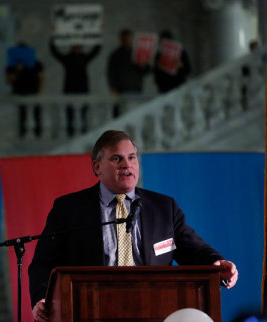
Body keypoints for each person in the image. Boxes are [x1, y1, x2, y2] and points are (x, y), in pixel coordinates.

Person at [28, 130, 238, 321]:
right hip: (92, 310)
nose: (126, 165)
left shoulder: (163, 207)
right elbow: (43, 263)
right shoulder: (69, 208)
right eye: (116, 158)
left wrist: (215, 262)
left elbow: (192, 248)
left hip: (155, 309)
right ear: (97, 167)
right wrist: (41, 299)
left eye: (131, 158)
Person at [107, 29, 150, 94]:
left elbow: (147, 70)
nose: (126, 40)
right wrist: (113, 86)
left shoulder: (138, 53)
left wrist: (143, 66)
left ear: (131, 38)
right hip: (121, 90)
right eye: (124, 38)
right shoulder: (116, 55)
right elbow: (111, 72)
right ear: (121, 39)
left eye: (127, 38)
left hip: (136, 89)